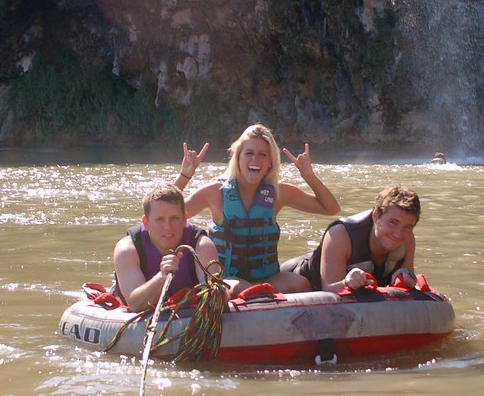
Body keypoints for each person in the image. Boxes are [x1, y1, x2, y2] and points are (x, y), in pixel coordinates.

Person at [174, 124, 340, 296]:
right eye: (249, 153)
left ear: (270, 163)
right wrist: (185, 176)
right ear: (238, 158)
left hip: (267, 276)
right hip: (227, 280)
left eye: (263, 155)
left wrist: (309, 176)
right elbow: (167, 212)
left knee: (301, 284)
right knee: (247, 290)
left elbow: (331, 208)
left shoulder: (278, 193)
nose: (255, 160)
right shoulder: (215, 192)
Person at [281, 185, 420, 292]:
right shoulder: (340, 235)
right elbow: (329, 290)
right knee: (302, 284)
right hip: (297, 278)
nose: (398, 234)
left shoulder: (407, 239)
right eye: (393, 223)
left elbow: (406, 283)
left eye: (407, 227)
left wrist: (407, 279)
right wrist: (346, 283)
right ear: (376, 216)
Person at [112, 183, 220, 312]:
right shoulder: (127, 249)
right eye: (159, 219)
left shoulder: (202, 246)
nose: (168, 227)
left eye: (174, 218)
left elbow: (216, 300)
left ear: (185, 219)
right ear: (146, 223)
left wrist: (219, 291)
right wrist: (162, 277)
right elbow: (135, 305)